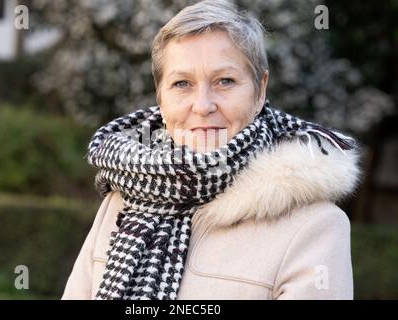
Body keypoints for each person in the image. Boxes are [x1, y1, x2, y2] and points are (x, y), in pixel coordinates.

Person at [62, 0, 361, 300]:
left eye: (225, 81)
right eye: (182, 83)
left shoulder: (315, 227)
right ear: (161, 98)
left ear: (260, 91)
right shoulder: (121, 202)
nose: (203, 106)